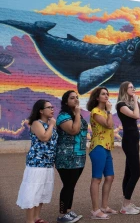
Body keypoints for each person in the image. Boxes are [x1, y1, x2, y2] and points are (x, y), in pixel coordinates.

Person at [16, 100, 58, 223]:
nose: (52, 109)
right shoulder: (36, 123)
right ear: (41, 110)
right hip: (36, 164)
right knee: (33, 192)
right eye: (49, 107)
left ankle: (36, 218)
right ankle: (30, 220)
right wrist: (51, 125)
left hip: (48, 163)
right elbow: (44, 137)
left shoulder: (50, 123)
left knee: (42, 191)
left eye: (52, 107)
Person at [55, 90, 88, 223]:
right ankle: (63, 214)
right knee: (68, 185)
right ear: (66, 102)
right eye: (72, 98)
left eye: (77, 97)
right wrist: (78, 113)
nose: (76, 100)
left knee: (71, 184)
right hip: (67, 156)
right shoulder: (63, 116)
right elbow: (74, 130)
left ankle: (68, 212)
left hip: (79, 155)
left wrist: (77, 114)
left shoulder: (75, 115)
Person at [116, 81, 140, 215]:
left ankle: (127, 202)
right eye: (131, 87)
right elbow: (136, 115)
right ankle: (125, 206)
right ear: (124, 89)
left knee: (129, 172)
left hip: (133, 139)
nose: (133, 89)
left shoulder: (130, 104)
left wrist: (136, 101)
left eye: (134, 87)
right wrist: (134, 99)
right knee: (136, 173)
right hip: (128, 140)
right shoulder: (121, 105)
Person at [87, 87, 117, 220]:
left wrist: (108, 111)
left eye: (107, 94)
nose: (106, 96)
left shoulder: (105, 111)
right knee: (97, 179)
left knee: (110, 177)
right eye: (103, 94)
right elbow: (108, 125)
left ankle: (104, 206)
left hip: (107, 147)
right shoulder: (96, 111)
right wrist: (110, 111)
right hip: (98, 146)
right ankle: (95, 209)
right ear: (97, 98)